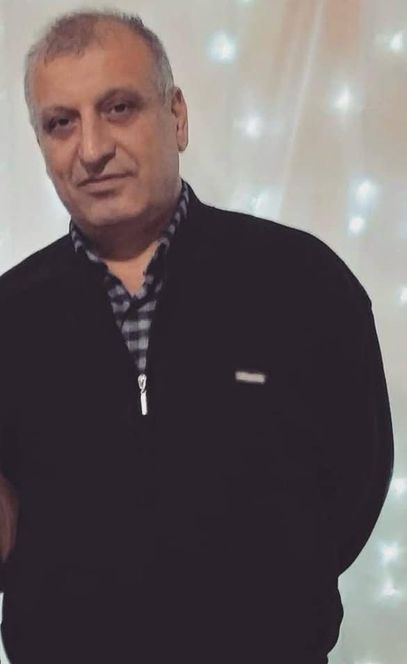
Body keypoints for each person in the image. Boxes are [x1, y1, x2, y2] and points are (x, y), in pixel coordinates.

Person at [0, 8, 394, 664]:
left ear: (176, 116)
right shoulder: (9, 316)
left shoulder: (302, 282)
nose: (91, 148)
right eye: (60, 122)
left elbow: (357, 480)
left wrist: (271, 601)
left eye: (119, 107)